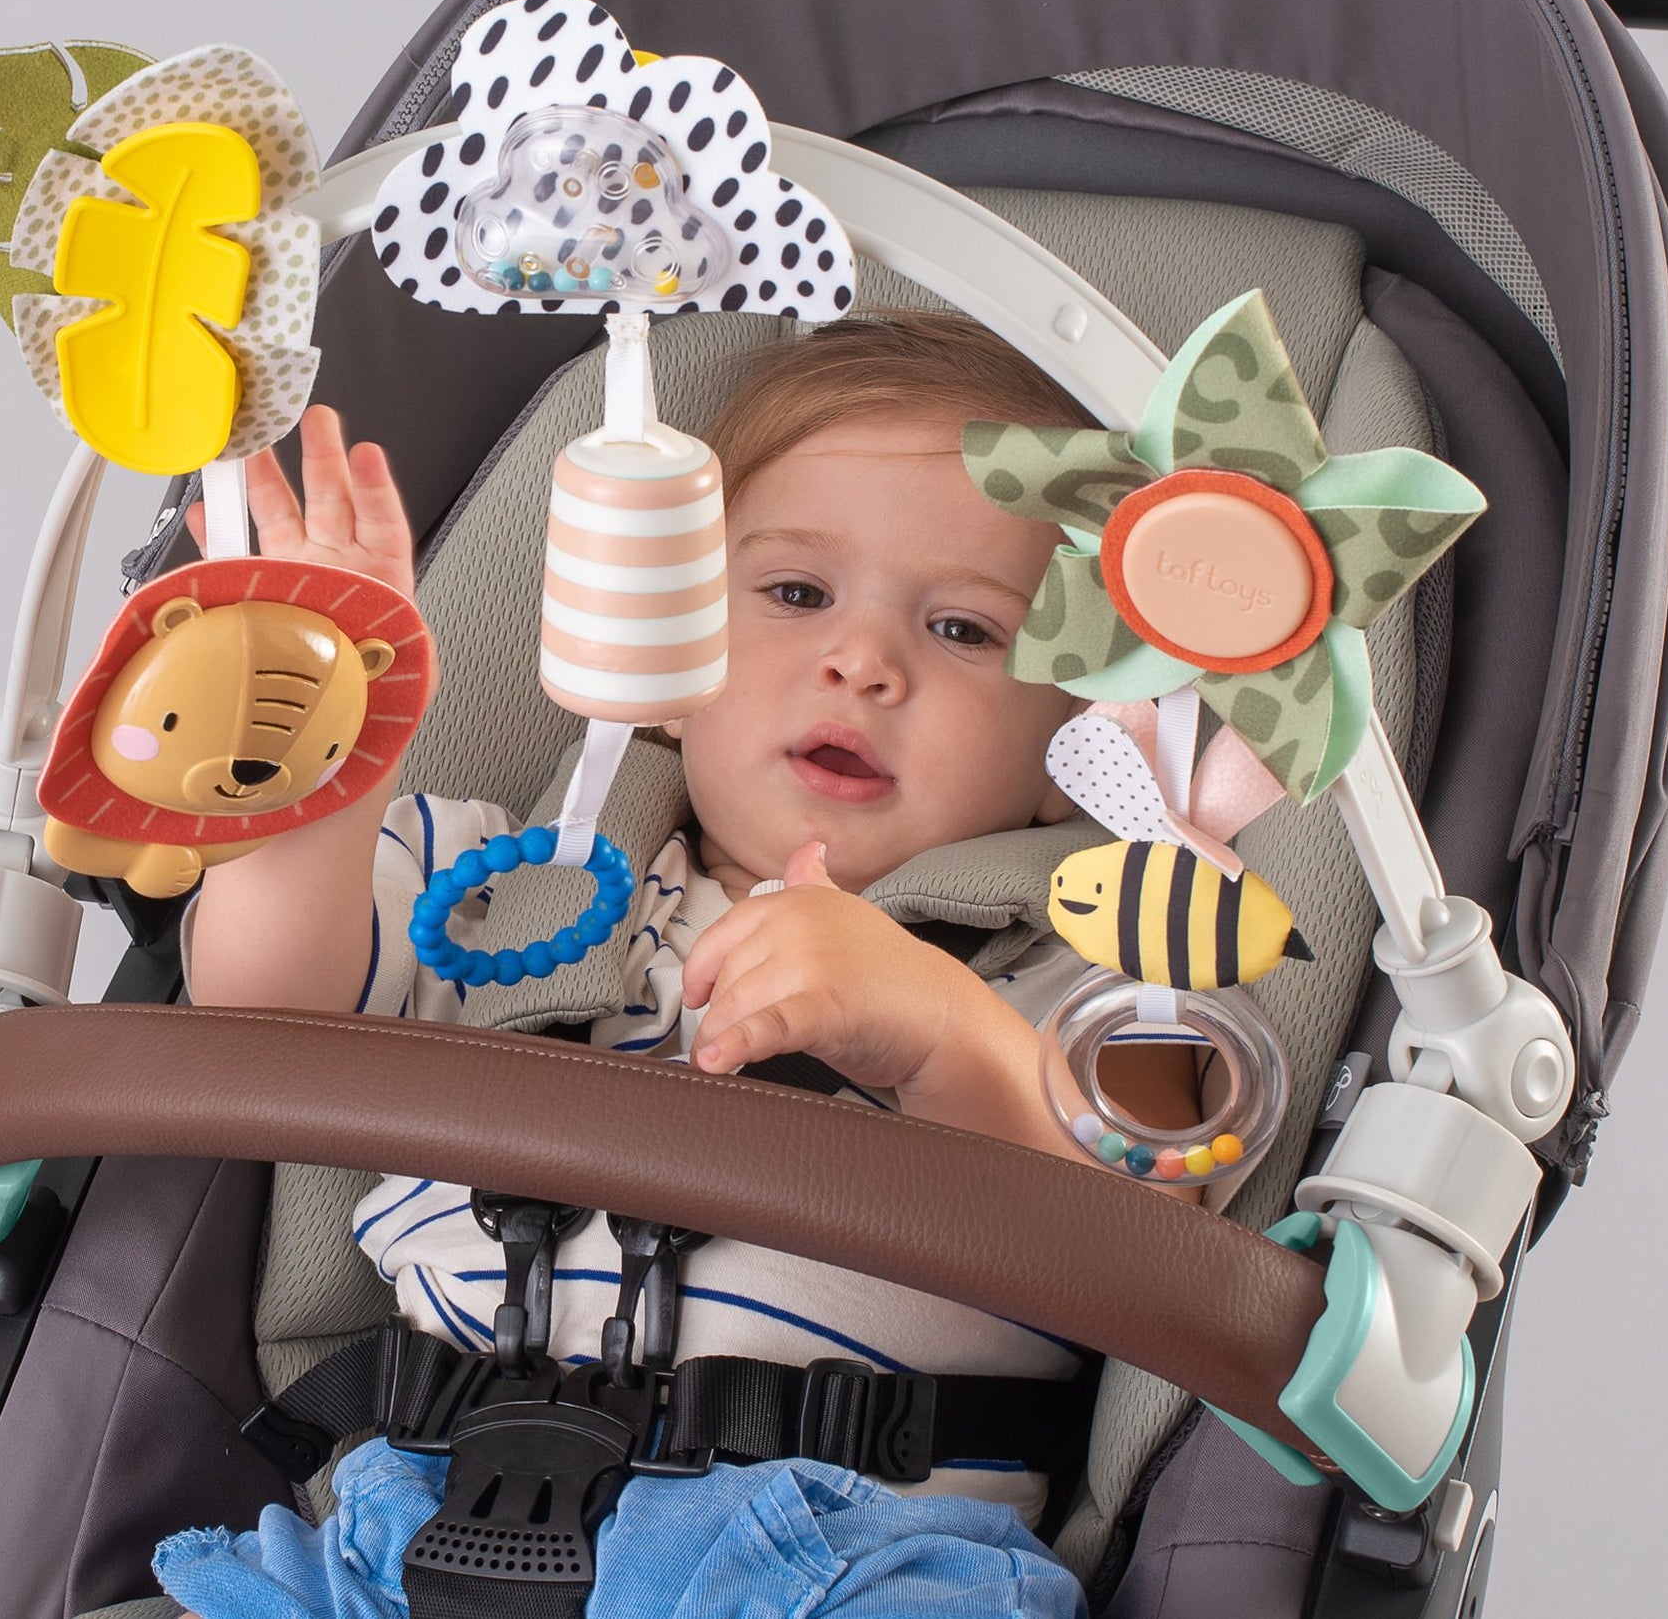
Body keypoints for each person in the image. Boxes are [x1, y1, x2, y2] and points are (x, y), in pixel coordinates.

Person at [154, 312, 1200, 1619]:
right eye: (797, 594)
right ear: (660, 650)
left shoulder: (1087, 974)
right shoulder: (498, 887)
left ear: (1079, 744)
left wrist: (943, 1035)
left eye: (963, 628)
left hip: (844, 1552)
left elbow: (1157, 1254)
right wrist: (316, 782)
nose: (862, 661)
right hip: (412, 1522)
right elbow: (260, 1008)